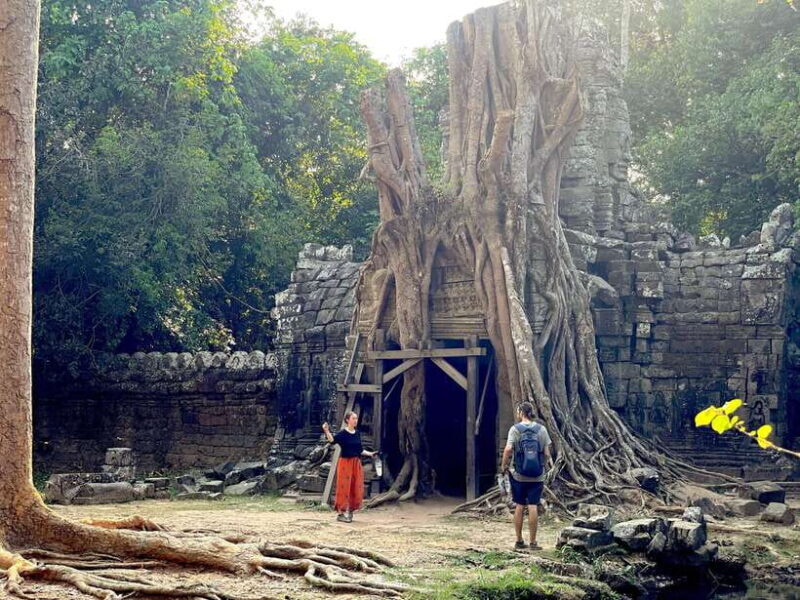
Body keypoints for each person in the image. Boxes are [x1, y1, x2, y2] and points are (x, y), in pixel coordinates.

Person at [500, 401, 552, 550]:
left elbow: (508, 449)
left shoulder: (515, 430)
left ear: (521, 413)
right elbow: (547, 453)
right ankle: (533, 542)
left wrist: (504, 466)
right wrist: (543, 466)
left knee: (520, 505)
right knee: (533, 505)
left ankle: (519, 541)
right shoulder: (541, 430)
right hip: (537, 475)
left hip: (519, 475)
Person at [322, 411, 376, 523]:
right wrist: (327, 431)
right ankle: (341, 513)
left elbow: (360, 450)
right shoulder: (343, 434)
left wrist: (370, 454)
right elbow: (332, 441)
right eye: (353, 418)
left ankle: (350, 511)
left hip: (356, 463)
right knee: (343, 487)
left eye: (356, 418)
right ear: (347, 420)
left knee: (355, 487)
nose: (355, 420)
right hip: (345, 463)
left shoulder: (357, 433)